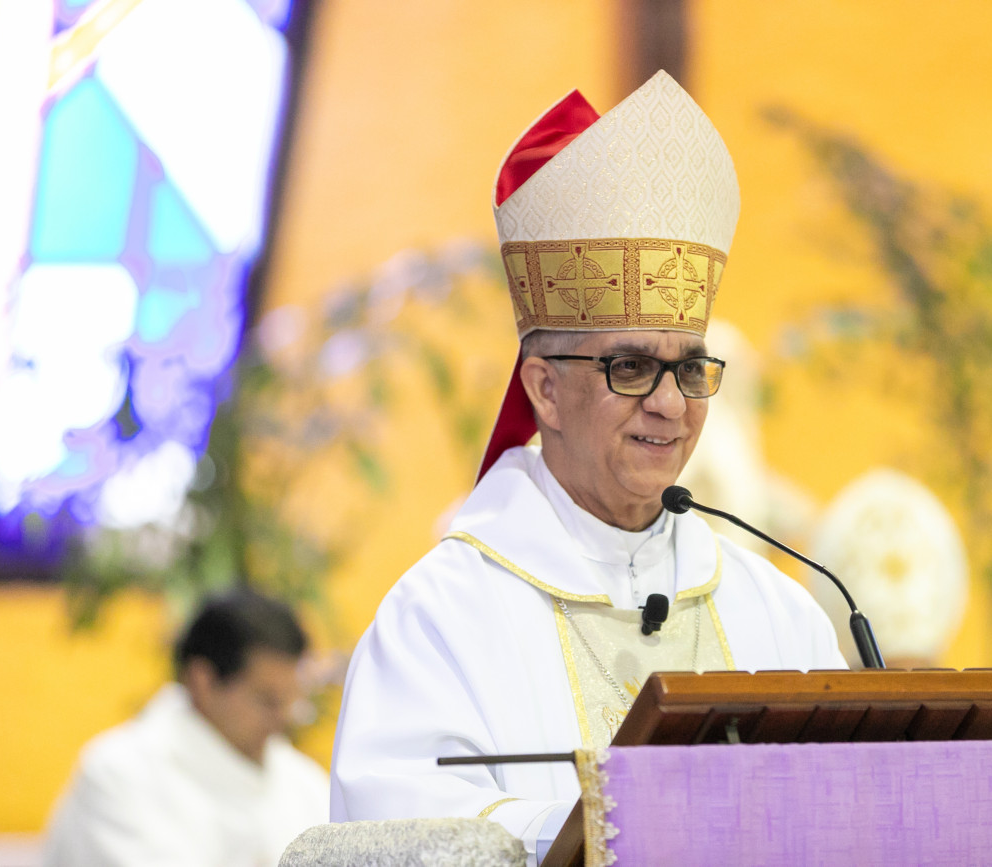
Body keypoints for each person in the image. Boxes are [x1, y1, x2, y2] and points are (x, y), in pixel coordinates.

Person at [330, 70, 846, 865]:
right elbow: (395, 838)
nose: (670, 404)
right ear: (545, 389)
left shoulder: (778, 613)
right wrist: (625, 821)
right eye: (631, 367)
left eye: (689, 368)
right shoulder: (440, 620)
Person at [43, 588, 328, 867]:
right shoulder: (118, 776)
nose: (284, 717)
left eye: (292, 700)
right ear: (202, 681)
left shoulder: (304, 782)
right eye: (268, 700)